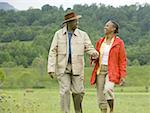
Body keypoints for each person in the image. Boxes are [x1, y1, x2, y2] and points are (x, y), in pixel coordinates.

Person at [47, 11, 99, 113]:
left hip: (78, 67)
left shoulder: (83, 35)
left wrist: (94, 53)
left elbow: (89, 47)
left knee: (78, 92)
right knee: (65, 91)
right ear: (69, 23)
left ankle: (78, 111)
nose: (77, 23)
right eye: (75, 21)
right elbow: (52, 51)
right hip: (63, 67)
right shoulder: (58, 34)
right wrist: (51, 68)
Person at [90, 20, 127, 113]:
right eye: (105, 25)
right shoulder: (100, 41)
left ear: (113, 29)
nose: (105, 27)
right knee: (100, 95)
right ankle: (103, 111)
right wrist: (94, 57)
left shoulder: (119, 43)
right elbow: (96, 56)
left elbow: (122, 60)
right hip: (100, 70)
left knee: (108, 89)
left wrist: (123, 75)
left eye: (107, 26)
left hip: (112, 70)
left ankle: (111, 109)